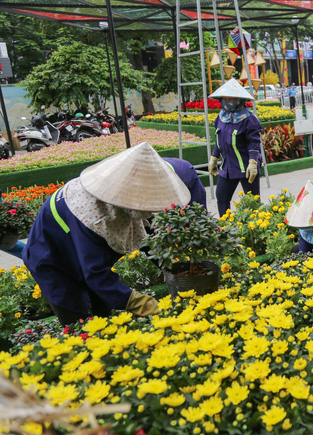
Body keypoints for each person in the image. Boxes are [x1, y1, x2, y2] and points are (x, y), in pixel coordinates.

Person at [22, 142, 191, 325]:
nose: (149, 212)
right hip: (52, 261)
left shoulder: (121, 199)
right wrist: (139, 303)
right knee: (79, 320)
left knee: (102, 308)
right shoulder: (90, 214)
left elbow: (148, 237)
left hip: (80, 252)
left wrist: (174, 265)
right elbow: (95, 273)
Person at [207, 79, 262, 218]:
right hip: (227, 168)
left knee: (252, 202)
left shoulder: (249, 119)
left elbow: (254, 142)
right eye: (224, 98)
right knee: (222, 197)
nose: (226, 101)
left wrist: (253, 163)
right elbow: (219, 139)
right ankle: (226, 229)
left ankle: (255, 231)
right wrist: (214, 157)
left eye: (230, 98)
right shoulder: (220, 117)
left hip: (246, 167)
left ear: (239, 99)